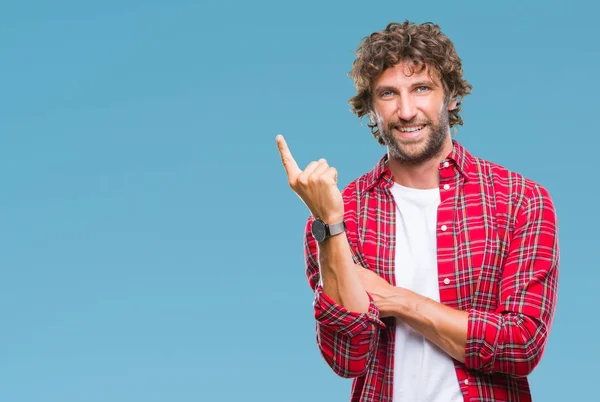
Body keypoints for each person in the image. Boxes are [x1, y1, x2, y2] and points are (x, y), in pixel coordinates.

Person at [276, 20, 559, 402]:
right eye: (388, 94)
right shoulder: (344, 213)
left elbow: (520, 344)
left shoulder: (520, 200)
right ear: (370, 108)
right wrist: (329, 224)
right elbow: (347, 358)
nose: (406, 111)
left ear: (452, 96)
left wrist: (397, 300)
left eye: (421, 89)